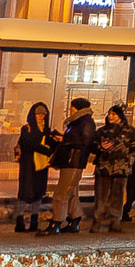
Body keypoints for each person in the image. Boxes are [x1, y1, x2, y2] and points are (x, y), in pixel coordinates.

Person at [40, 97, 96, 236]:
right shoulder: (78, 121)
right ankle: (74, 220)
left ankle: (56, 223)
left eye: (71, 108)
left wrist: (65, 140)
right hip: (71, 160)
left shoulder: (85, 121)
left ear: (78, 108)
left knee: (61, 193)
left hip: (74, 161)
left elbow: (85, 141)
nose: (70, 110)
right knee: (72, 193)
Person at [89, 104, 135, 234]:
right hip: (104, 167)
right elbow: (92, 146)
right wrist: (101, 147)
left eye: (114, 114)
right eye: (109, 114)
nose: (111, 116)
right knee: (101, 196)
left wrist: (129, 160)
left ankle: (114, 221)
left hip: (120, 169)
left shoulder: (130, 131)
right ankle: (97, 221)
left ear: (120, 116)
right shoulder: (101, 131)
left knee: (117, 196)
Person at [14, 102, 59, 233]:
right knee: (25, 193)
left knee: (38, 193)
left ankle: (34, 220)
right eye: (38, 114)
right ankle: (20, 220)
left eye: (43, 114)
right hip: (29, 165)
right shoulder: (26, 128)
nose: (41, 117)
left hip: (41, 166)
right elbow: (29, 144)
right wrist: (47, 151)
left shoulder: (46, 129)